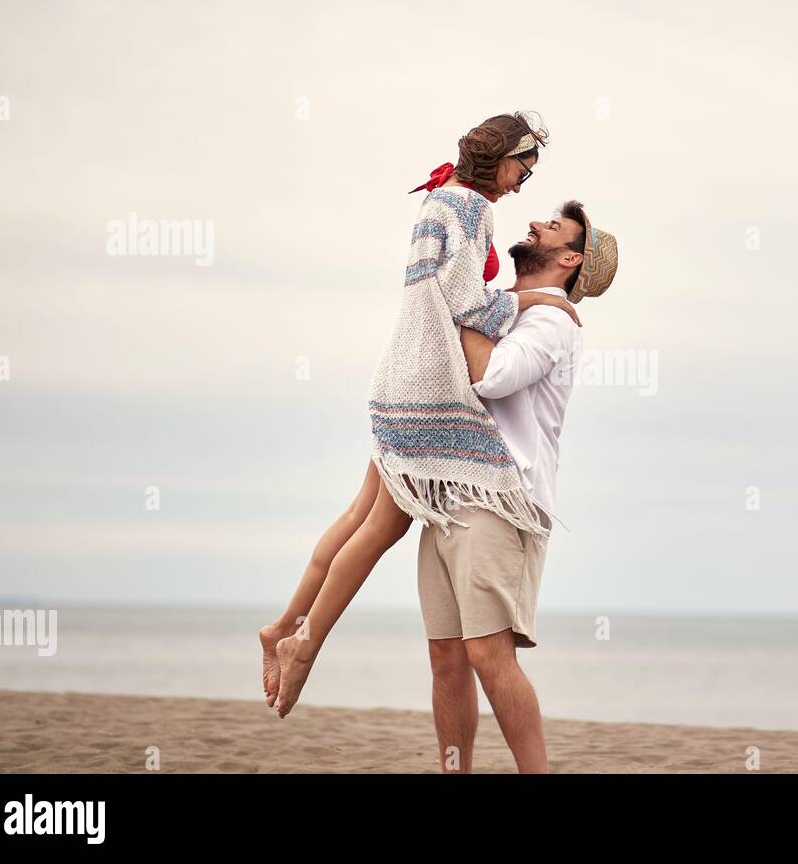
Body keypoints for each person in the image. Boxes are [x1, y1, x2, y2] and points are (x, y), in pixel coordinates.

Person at [260, 112, 579, 717]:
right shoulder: (473, 209)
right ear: (503, 157)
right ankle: (303, 642)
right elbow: (463, 302)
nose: (522, 185)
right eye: (524, 169)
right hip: (431, 386)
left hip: (400, 375)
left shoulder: (440, 198)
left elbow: (440, 292)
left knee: (362, 515)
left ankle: (286, 625)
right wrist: (527, 300)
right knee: (382, 526)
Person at [425, 200, 618, 772]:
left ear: (569, 258)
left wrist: (467, 307)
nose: (535, 222)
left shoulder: (552, 321)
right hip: (456, 493)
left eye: (553, 227)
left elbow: (492, 376)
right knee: (446, 657)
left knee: (489, 654)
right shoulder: (514, 310)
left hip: (503, 501)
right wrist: (492, 304)